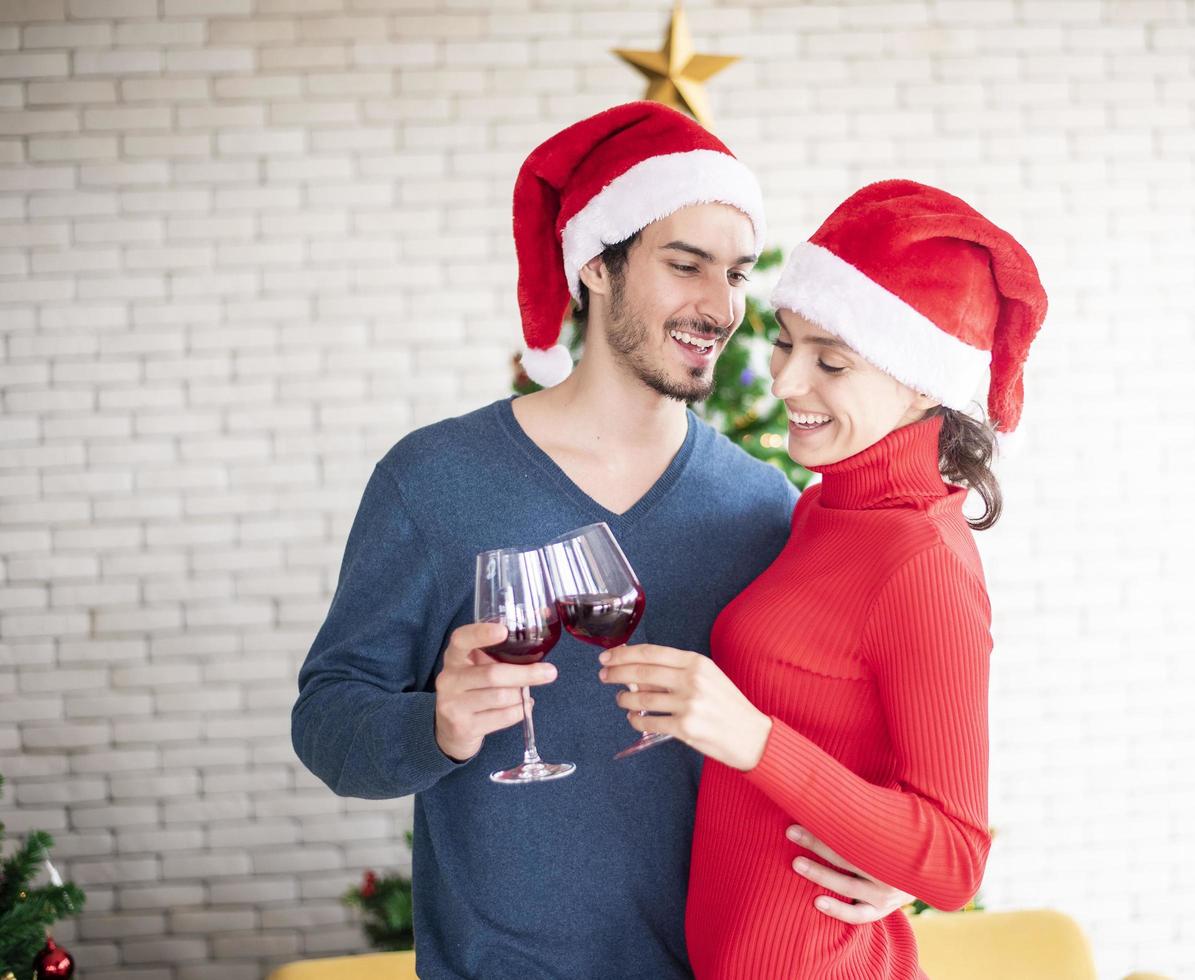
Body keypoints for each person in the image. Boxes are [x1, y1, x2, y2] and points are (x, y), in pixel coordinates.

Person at [291, 103, 909, 980]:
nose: (720, 305)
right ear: (595, 265)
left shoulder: (764, 505)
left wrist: (886, 864)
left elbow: (839, 732)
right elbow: (327, 723)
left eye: (735, 274)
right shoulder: (432, 480)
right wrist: (433, 721)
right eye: (685, 265)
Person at [599, 179, 1049, 978]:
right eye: (786, 342)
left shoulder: (922, 563)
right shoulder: (821, 510)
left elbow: (953, 860)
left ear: (921, 384)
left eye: (830, 361)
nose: (782, 382)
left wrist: (752, 740)